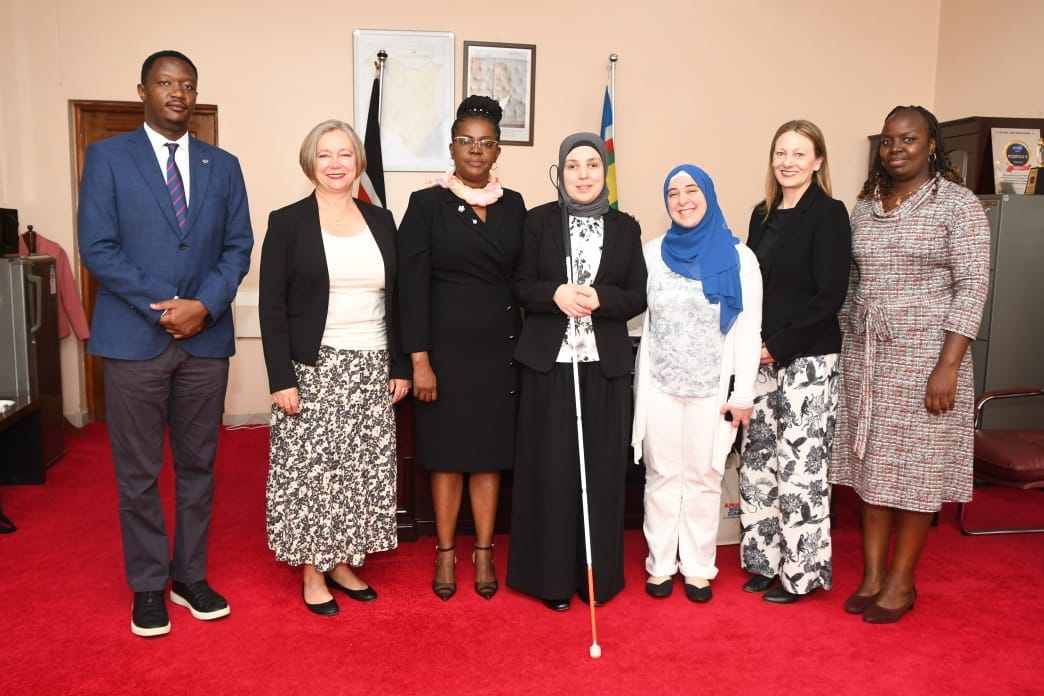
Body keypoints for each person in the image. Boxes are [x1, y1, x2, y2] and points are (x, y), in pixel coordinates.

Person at [77, 50, 253, 637]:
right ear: (143, 91)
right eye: (165, 82)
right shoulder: (107, 157)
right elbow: (97, 247)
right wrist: (165, 306)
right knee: (138, 472)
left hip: (206, 341)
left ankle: (189, 575)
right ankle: (149, 585)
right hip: (134, 339)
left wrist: (204, 305)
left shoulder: (223, 164)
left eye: (187, 84)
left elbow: (238, 246)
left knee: (200, 466)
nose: (178, 92)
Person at [830, 105, 990, 623]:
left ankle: (901, 582)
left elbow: (972, 288)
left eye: (909, 139)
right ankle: (873, 575)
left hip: (929, 356)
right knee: (873, 468)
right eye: (888, 141)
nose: (897, 149)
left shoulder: (958, 206)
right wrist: (840, 345)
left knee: (916, 472)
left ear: (932, 145)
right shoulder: (865, 205)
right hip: (868, 355)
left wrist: (948, 366)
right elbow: (851, 284)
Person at [260, 120, 410, 616]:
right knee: (313, 474)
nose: (335, 164)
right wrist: (280, 377)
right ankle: (312, 570)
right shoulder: (287, 222)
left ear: (358, 162)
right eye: (325, 155)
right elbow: (271, 307)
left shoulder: (382, 221)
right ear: (310, 162)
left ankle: (345, 561)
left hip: (371, 365)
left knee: (361, 471)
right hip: (313, 367)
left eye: (344, 154)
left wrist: (400, 364)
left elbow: (400, 300)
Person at [507, 133, 646, 611]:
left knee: (601, 475)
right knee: (550, 473)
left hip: (602, 369)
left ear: (602, 172)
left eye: (592, 165)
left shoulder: (626, 227)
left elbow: (638, 295)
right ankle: (549, 579)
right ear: (560, 172)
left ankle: (596, 577)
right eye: (573, 166)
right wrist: (555, 296)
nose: (584, 174)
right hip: (549, 366)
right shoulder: (538, 222)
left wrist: (603, 300)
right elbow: (521, 285)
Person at [398, 96, 526, 601]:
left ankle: (485, 552)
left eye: (486, 142)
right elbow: (411, 286)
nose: (476, 150)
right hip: (444, 356)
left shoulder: (515, 205)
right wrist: (420, 359)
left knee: (488, 458)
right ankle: (447, 553)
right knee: (448, 457)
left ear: (498, 151)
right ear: (452, 147)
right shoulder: (426, 204)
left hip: (500, 352)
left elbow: (523, 279)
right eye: (466, 141)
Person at [632, 164, 762, 603]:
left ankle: (699, 567)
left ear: (708, 193)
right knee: (662, 476)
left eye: (691, 190)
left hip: (712, 392)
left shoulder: (740, 258)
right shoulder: (651, 254)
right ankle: (661, 565)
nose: (683, 199)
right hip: (660, 388)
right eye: (673, 193)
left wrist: (742, 394)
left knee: (706, 479)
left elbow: (748, 331)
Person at [739, 120, 851, 604]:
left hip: (806, 360)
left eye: (799, 154)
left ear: (818, 161)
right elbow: (750, 289)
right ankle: (764, 561)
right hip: (759, 359)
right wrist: (752, 344)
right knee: (759, 464)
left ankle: (801, 575)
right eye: (780, 152)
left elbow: (830, 296)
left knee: (800, 469)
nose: (787, 161)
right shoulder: (760, 215)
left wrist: (778, 345)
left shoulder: (828, 214)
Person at [492, 62, 526, 128]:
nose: (497, 79)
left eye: (501, 75)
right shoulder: (485, 108)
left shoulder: (522, 108)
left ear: (510, 82)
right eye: (494, 76)